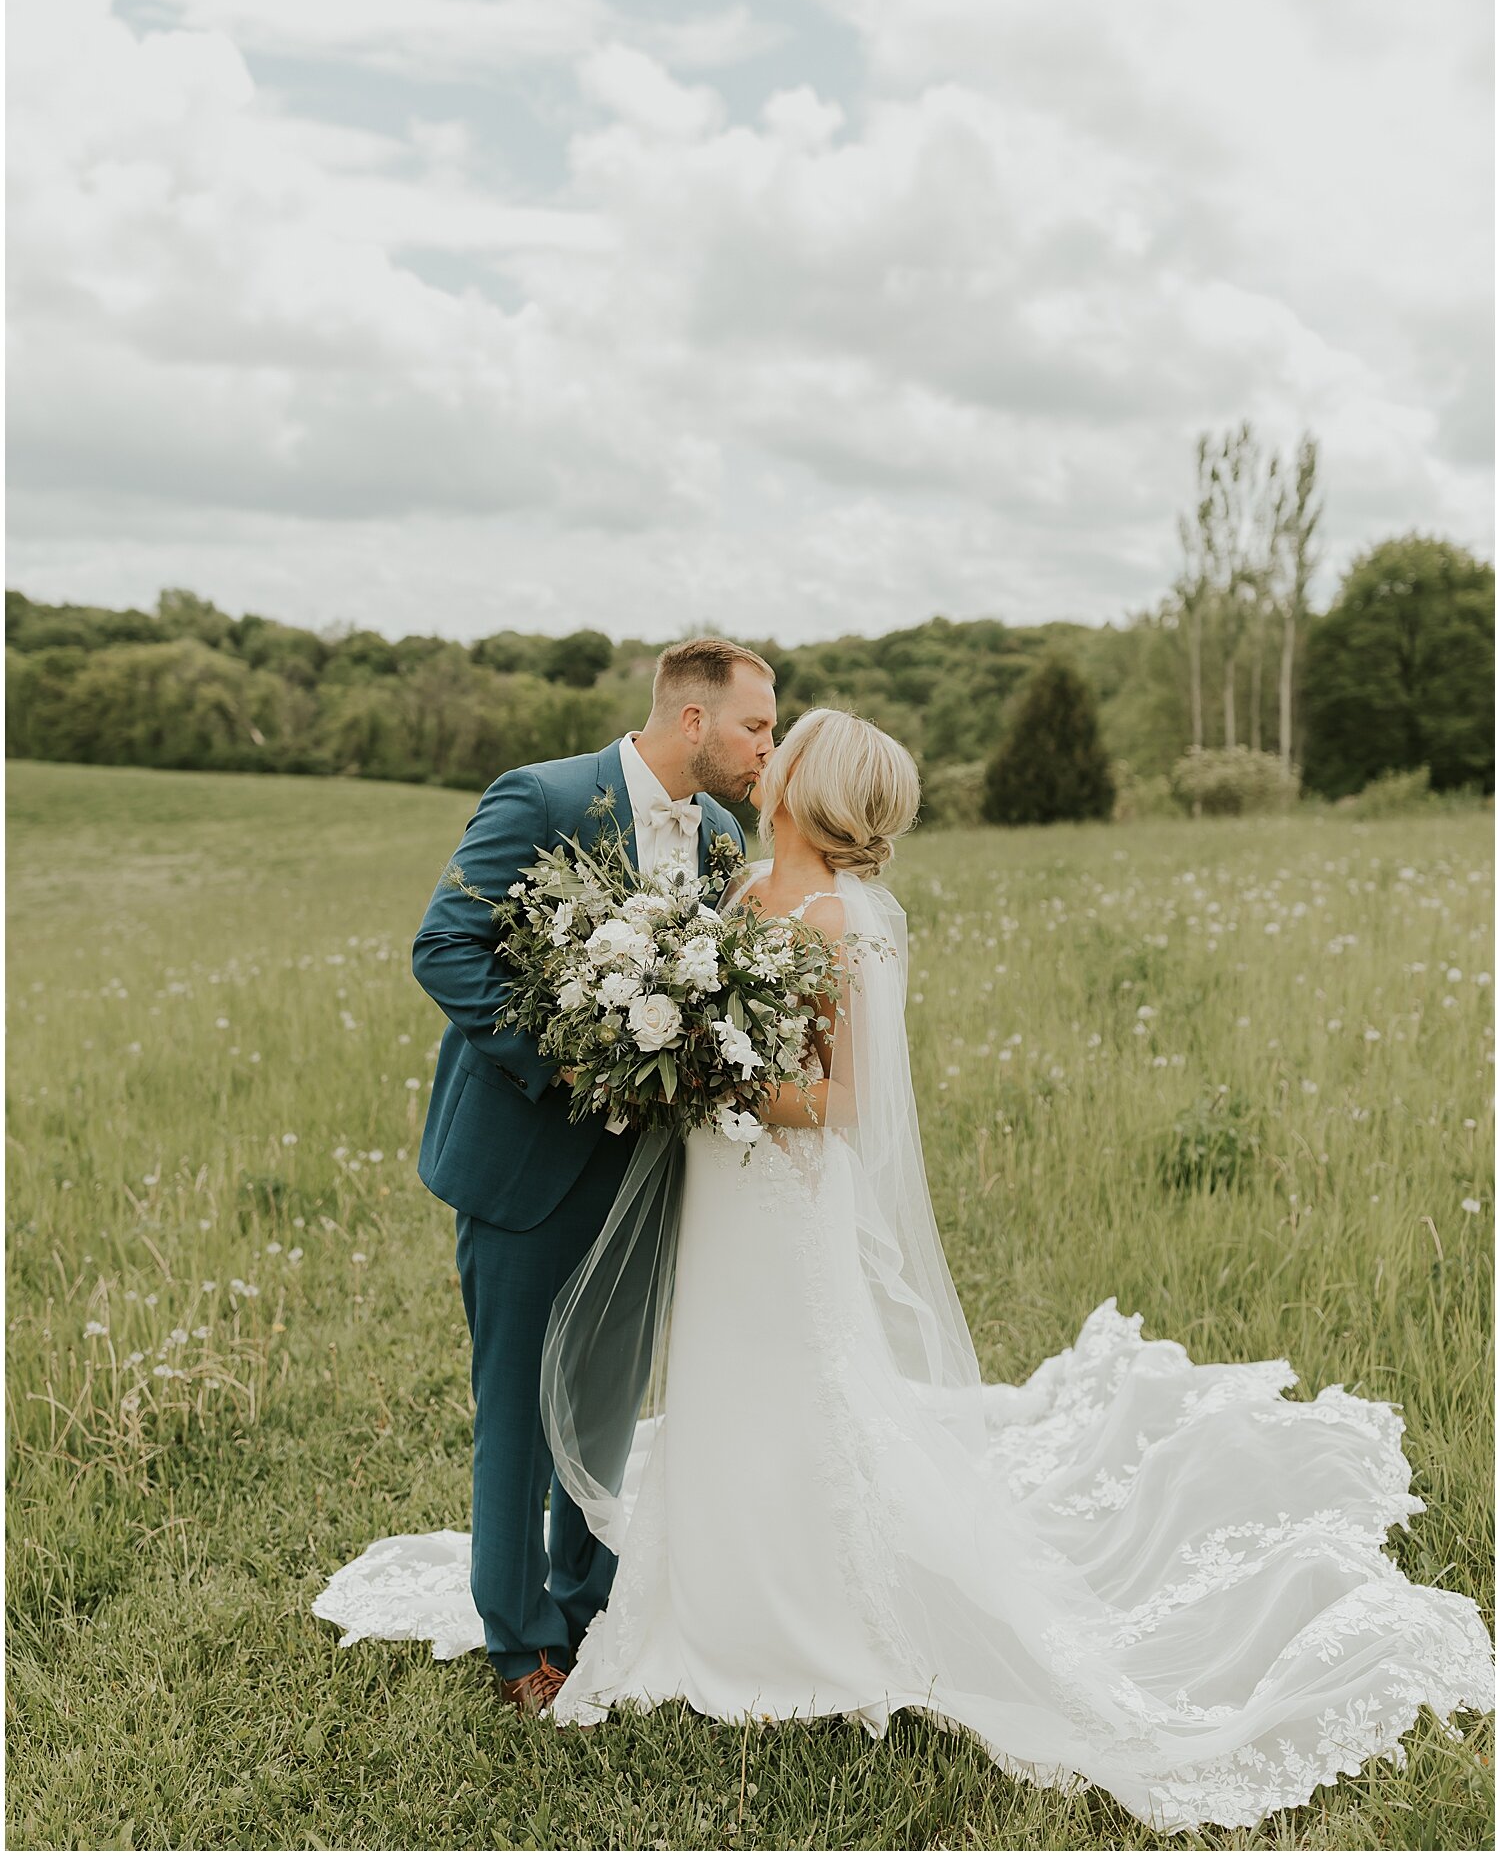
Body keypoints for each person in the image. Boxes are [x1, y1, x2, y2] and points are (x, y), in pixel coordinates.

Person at [317, 707, 1494, 1834]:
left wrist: (699, 1063)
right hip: (720, 1190)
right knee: (719, 1388)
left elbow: (843, 1101)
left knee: (790, 1387)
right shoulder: (736, 874)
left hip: (776, 1196)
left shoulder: (838, 919)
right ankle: (687, 1584)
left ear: (802, 787)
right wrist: (677, 1038)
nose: (765, 752)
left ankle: (789, 1607)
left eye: (784, 741)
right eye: (761, 731)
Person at [384, 637, 773, 1715]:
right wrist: (567, 1060)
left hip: (648, 1170)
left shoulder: (728, 838)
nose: (765, 750)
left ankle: (591, 1601)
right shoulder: (542, 796)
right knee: (517, 1407)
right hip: (526, 1157)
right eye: (757, 726)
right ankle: (519, 1643)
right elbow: (444, 946)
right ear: (693, 720)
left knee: (602, 1402)